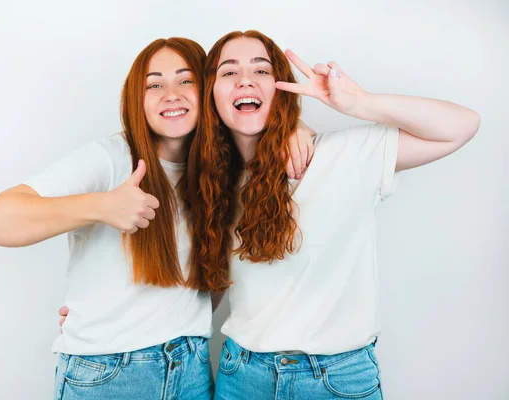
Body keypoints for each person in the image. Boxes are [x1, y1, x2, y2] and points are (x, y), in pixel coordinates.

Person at [0, 36, 314, 399]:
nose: (171, 94)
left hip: (192, 371)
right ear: (137, 100)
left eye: (186, 80)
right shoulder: (111, 159)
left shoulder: (222, 173)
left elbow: (215, 276)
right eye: (154, 84)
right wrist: (101, 206)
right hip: (109, 376)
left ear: (209, 93)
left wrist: (296, 127)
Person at [186, 30, 480, 399]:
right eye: (228, 72)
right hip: (242, 377)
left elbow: (461, 126)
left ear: (282, 88)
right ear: (211, 93)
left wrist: (358, 102)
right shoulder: (211, 184)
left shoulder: (342, 156)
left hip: (337, 381)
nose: (245, 79)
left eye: (261, 71)